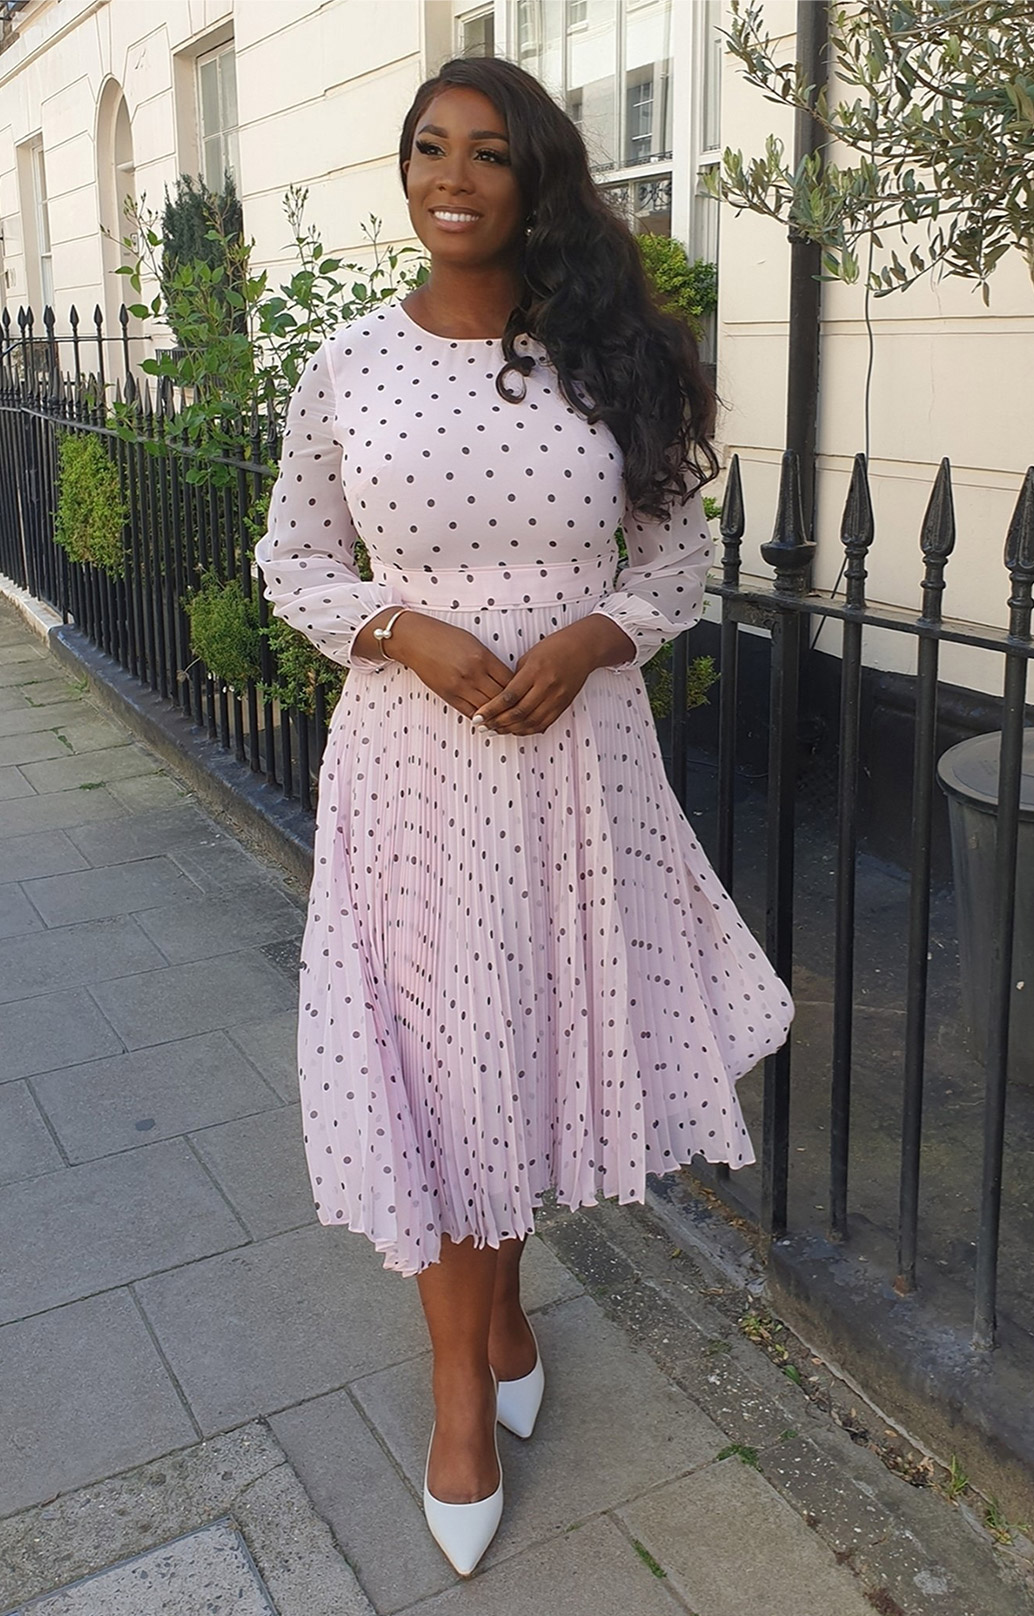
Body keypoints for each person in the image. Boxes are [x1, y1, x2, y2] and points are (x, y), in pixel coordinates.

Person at [254, 55, 793, 1578]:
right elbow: (294, 559)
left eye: (487, 153)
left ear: (535, 181)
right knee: (433, 1061)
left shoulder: (605, 359)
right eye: (427, 147)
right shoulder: (346, 365)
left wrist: (589, 638)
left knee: (523, 1049)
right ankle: (462, 1377)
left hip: (575, 760)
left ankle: (499, 1313)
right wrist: (404, 629)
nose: (450, 176)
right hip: (412, 768)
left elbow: (672, 567)